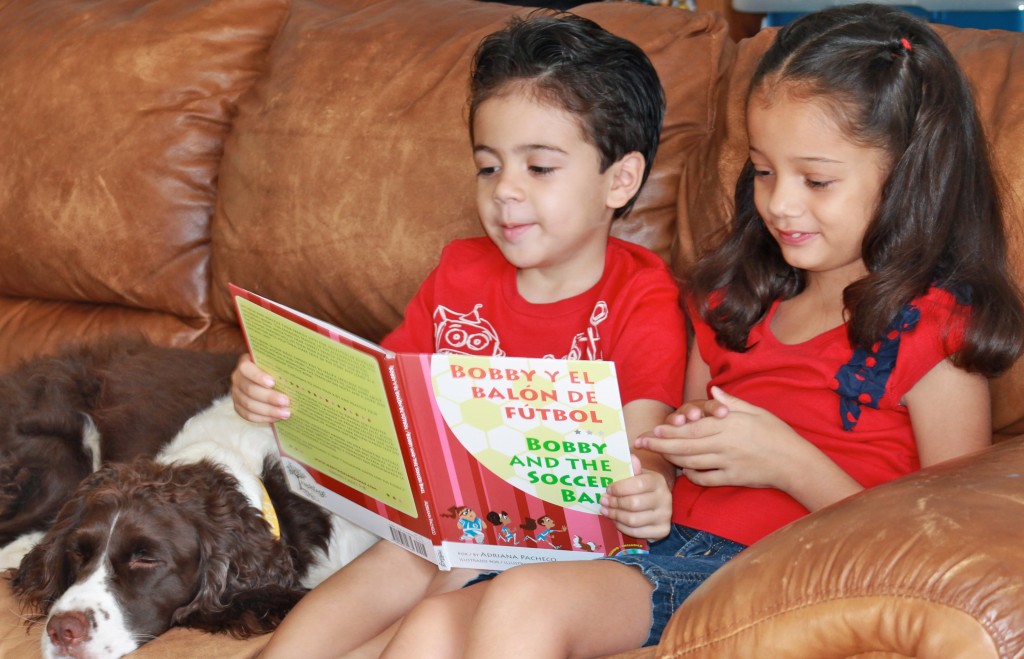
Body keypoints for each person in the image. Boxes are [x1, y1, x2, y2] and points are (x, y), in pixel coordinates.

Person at [379, 4, 1024, 657]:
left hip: (771, 575)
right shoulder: (736, 299)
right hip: (663, 549)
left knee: (523, 603)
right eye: (764, 171)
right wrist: (651, 470)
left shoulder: (933, 334)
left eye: (817, 179)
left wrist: (788, 461)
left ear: (912, 174)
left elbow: (947, 542)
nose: (780, 203)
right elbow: (667, 437)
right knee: (435, 621)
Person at [230, 12, 688, 658]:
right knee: (317, 622)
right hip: (439, 530)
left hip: (551, 547)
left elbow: (647, 448)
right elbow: (377, 390)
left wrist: (646, 484)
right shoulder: (462, 270)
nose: (505, 191)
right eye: (488, 166)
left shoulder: (642, 298)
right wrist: (276, 389)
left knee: (412, 629)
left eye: (540, 167)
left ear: (621, 179)